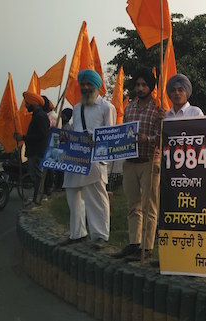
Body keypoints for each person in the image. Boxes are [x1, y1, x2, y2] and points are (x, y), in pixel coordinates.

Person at [59, 69, 116, 250]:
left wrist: (96, 141)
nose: (85, 87)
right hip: (75, 157)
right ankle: (77, 234)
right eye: (82, 84)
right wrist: (66, 137)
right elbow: (75, 131)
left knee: (97, 199)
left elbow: (111, 135)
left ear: (97, 86)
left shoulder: (107, 107)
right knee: (72, 195)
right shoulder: (76, 108)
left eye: (88, 84)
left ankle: (100, 236)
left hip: (95, 160)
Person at [112, 69, 165, 262]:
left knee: (149, 206)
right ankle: (134, 243)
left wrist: (147, 138)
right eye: (138, 85)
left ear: (150, 87)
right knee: (133, 205)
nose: (140, 88)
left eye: (144, 85)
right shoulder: (129, 108)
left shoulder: (158, 109)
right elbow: (123, 132)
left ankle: (147, 247)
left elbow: (162, 137)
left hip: (149, 161)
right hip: (130, 162)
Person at [13, 92, 50, 207]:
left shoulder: (40, 117)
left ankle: (37, 200)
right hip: (34, 151)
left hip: (37, 152)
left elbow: (42, 135)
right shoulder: (37, 116)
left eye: (27, 103)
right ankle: (36, 199)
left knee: (37, 176)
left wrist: (23, 137)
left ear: (34, 104)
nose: (25, 105)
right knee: (35, 176)